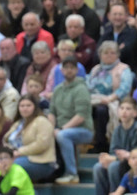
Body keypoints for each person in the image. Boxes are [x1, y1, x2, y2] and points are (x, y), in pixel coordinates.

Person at [50, 56, 94, 184]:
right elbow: (52, 112)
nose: (69, 70)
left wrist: (61, 129)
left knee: (63, 135)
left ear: (76, 70)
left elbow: (81, 116)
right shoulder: (57, 89)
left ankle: (72, 174)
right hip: (61, 129)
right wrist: (51, 129)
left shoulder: (81, 89)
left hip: (83, 130)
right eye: (66, 68)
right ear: (61, 70)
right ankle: (52, 172)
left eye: (72, 68)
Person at [87, 41, 135, 154]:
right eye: (106, 53)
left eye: (112, 53)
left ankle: (102, 144)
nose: (109, 55)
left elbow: (125, 88)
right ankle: (87, 141)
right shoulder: (95, 69)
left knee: (101, 111)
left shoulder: (124, 69)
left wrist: (110, 98)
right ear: (100, 55)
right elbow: (87, 85)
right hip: (94, 99)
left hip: (115, 100)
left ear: (117, 55)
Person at [3, 95, 56, 182]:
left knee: (13, 165)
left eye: (28, 105)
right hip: (16, 157)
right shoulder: (18, 123)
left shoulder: (42, 121)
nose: (25, 108)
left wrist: (19, 152)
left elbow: (41, 144)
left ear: (35, 107)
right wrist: (9, 152)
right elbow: (6, 140)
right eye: (22, 106)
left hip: (41, 161)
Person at [94, 97, 137, 195]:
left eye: (128, 109)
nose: (124, 111)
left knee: (113, 167)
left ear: (135, 113)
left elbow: (136, 152)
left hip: (132, 162)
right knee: (98, 167)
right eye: (122, 108)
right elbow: (113, 151)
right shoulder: (117, 130)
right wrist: (106, 158)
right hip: (118, 160)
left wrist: (114, 158)